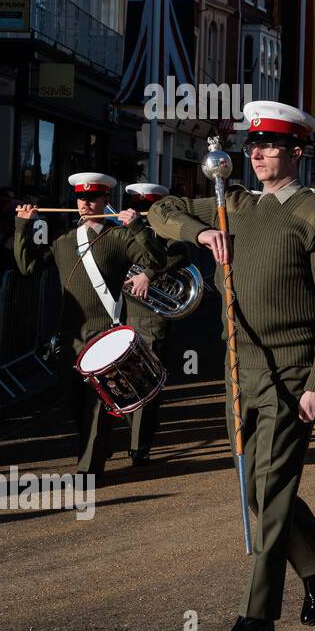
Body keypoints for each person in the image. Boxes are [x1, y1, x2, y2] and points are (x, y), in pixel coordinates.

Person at [147, 101, 315, 631]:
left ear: (297, 153)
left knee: (273, 490)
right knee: (257, 490)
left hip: (291, 371)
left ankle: (258, 618)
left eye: (270, 146)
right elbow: (158, 211)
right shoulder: (229, 204)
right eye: (252, 146)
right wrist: (200, 232)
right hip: (241, 367)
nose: (256, 154)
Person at [14, 173, 165, 480]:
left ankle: (89, 467)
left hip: (105, 334)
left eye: (92, 198)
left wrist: (136, 227)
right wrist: (22, 225)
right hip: (71, 336)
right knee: (72, 400)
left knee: (96, 404)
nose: (85, 203)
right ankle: (98, 445)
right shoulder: (64, 241)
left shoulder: (118, 237)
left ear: (106, 200)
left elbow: (156, 259)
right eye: (81, 198)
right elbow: (26, 266)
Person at [122, 182, 194, 466]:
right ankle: (138, 432)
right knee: (125, 383)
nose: (139, 212)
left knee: (146, 383)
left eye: (146, 207)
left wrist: (149, 274)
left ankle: (140, 446)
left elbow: (182, 255)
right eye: (138, 205)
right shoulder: (123, 230)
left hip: (151, 318)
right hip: (121, 313)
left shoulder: (166, 233)